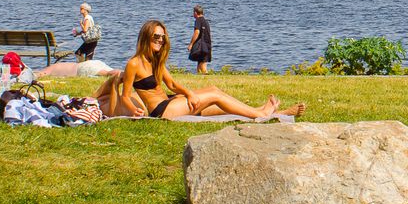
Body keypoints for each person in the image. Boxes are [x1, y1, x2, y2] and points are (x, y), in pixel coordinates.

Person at [97, 19, 299, 121]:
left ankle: (263, 112)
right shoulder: (134, 63)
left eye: (162, 37)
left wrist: (188, 93)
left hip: (169, 102)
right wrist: (134, 110)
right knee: (213, 95)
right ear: (146, 37)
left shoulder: (155, 60)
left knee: (214, 94)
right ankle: (261, 114)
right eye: (156, 37)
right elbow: (125, 96)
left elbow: (172, 84)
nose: (160, 40)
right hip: (161, 112)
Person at [188, 5, 212, 74]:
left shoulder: (198, 20)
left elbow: (197, 32)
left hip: (201, 46)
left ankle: (206, 77)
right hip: (207, 45)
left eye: (193, 13)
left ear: (195, 13)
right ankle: (199, 76)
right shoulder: (206, 21)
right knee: (200, 61)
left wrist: (191, 44)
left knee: (202, 64)